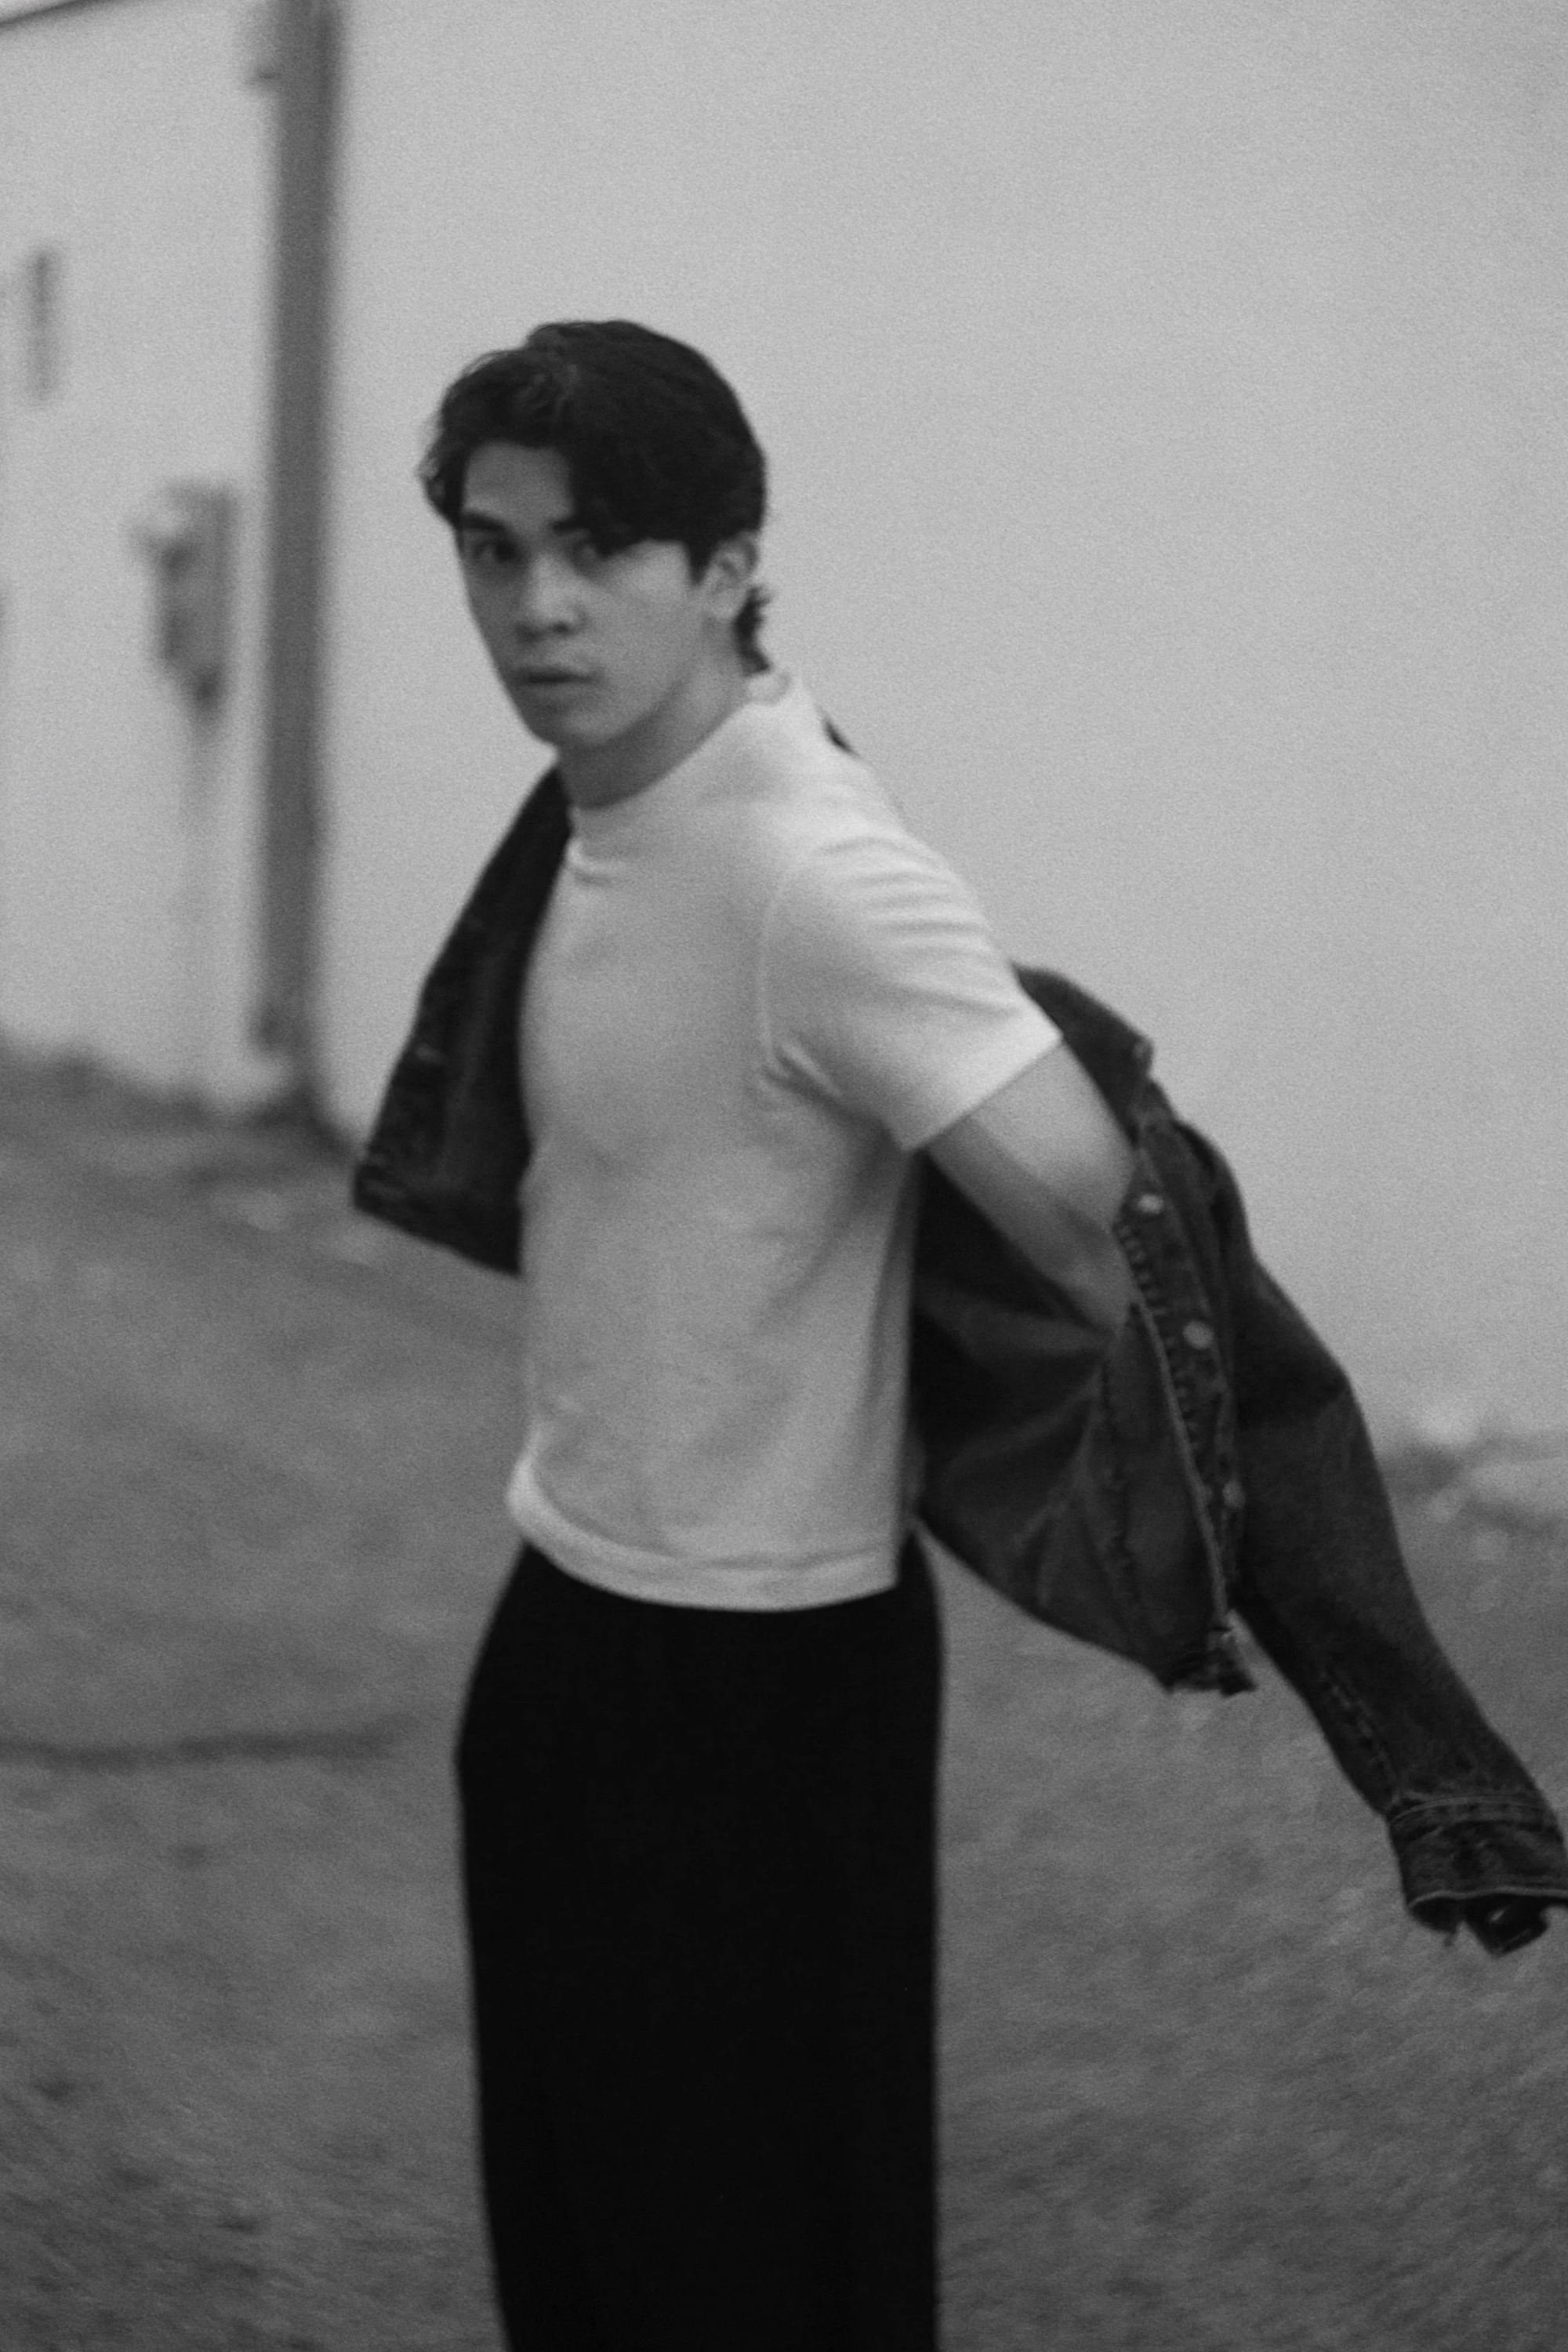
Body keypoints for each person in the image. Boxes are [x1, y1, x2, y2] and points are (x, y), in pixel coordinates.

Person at [413, 319, 1138, 2352]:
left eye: (603, 547)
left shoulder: (820, 871)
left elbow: (1106, 1234)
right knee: (581, 2249)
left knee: (743, 2278)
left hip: (761, 1681)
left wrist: (958, 1435)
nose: (537, 605)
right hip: (566, 1611)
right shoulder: (595, 814)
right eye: (494, 546)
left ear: (727, 565)